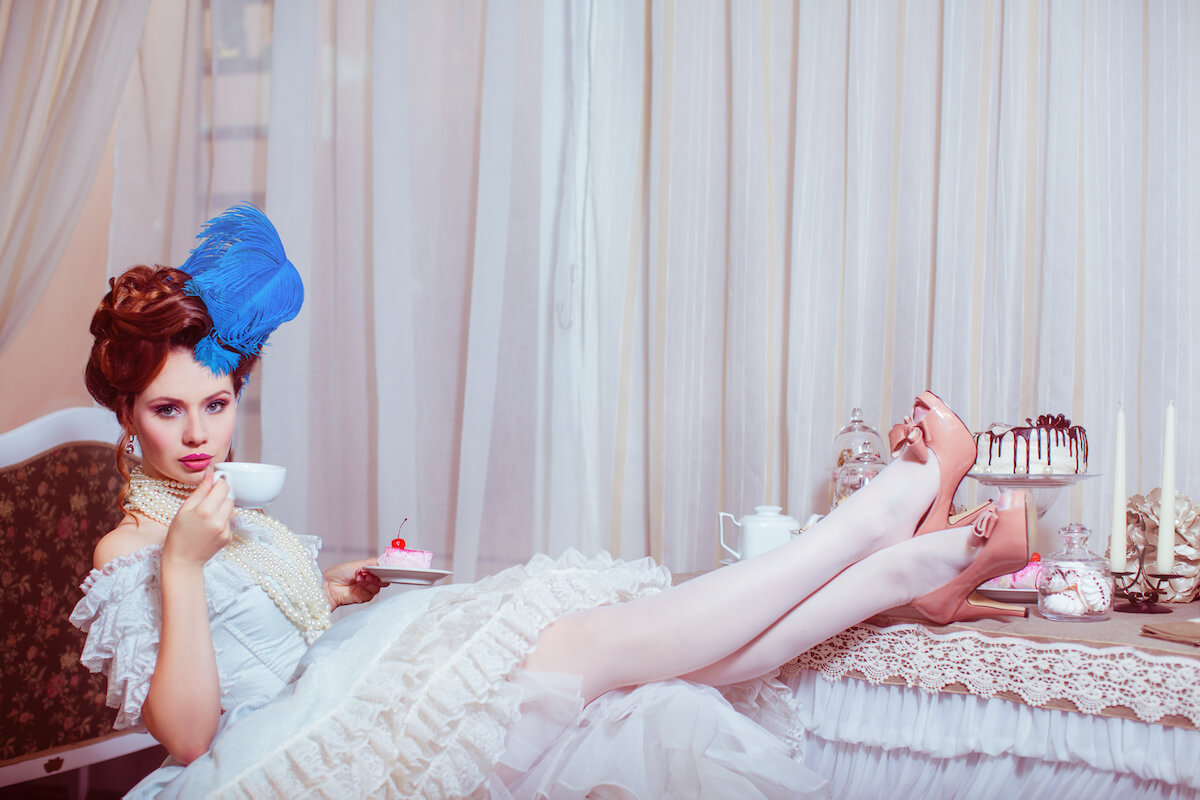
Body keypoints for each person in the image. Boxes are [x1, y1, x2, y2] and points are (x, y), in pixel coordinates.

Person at [71, 205, 1032, 799]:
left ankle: (915, 566)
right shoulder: (133, 551)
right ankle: (892, 513)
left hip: (346, 685)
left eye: (217, 404)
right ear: (125, 413)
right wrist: (186, 571)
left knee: (666, 661)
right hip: (282, 762)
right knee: (601, 647)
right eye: (168, 410)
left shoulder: (229, 512)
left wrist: (335, 592)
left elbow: (275, 644)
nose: (199, 435)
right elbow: (192, 733)